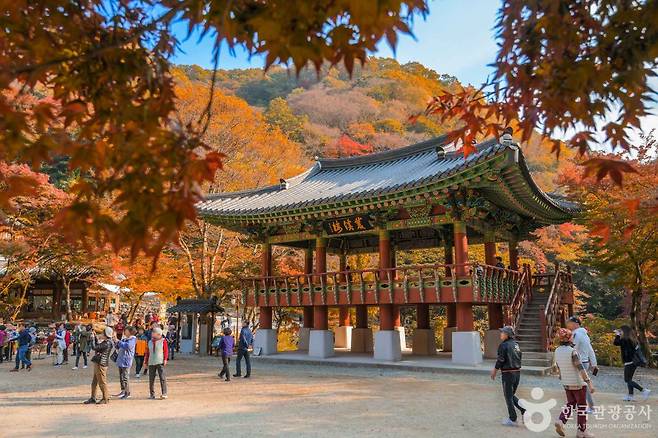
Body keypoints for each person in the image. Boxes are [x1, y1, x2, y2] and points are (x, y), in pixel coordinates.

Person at [553, 328, 596, 438]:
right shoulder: (573, 351)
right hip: (578, 383)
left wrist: (562, 377)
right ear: (569, 338)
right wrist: (589, 383)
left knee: (571, 403)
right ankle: (581, 431)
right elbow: (581, 368)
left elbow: (558, 368)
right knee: (582, 407)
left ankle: (561, 420)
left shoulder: (557, 351)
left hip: (566, 382)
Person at [491, 326, 525, 427]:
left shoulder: (503, 345)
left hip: (508, 373)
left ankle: (513, 418)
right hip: (517, 373)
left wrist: (494, 371)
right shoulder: (516, 345)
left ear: (507, 335)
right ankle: (524, 410)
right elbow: (520, 357)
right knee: (510, 395)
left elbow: (500, 360)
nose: (501, 334)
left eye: (502, 332)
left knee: (508, 396)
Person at [566, 316, 598, 413]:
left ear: (576, 323)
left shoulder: (576, 334)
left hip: (579, 362)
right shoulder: (584, 334)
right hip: (585, 361)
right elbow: (590, 350)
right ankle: (581, 405)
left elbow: (572, 349)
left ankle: (590, 406)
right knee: (581, 384)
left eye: (570, 322)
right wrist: (594, 363)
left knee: (582, 385)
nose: (568, 324)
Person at [614, 325, 651, 401]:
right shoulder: (632, 339)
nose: (620, 332)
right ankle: (630, 396)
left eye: (621, 331)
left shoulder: (625, 339)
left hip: (629, 361)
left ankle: (643, 390)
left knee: (627, 380)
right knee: (629, 379)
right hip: (633, 362)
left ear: (624, 331)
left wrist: (617, 335)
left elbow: (616, 343)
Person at [84, 327, 113, 405]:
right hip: (100, 363)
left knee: (102, 382)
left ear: (106, 335)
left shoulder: (106, 343)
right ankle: (93, 397)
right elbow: (98, 346)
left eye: (103, 333)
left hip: (101, 364)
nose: (101, 334)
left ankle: (105, 398)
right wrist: (95, 338)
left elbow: (94, 347)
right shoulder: (107, 342)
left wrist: (92, 338)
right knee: (95, 382)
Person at [144, 327, 168, 399]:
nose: (152, 333)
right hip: (151, 362)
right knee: (151, 379)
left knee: (162, 377)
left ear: (158, 334)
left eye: (154, 332)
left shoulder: (163, 341)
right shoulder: (150, 342)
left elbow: (166, 351)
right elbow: (147, 352)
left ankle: (164, 393)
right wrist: (145, 362)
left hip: (160, 361)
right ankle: (152, 394)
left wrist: (165, 359)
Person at [115, 326, 136, 400]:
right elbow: (118, 346)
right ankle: (123, 390)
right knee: (121, 376)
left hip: (126, 360)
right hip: (121, 360)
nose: (125, 331)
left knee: (125, 377)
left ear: (130, 332)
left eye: (126, 330)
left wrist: (118, 341)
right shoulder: (125, 339)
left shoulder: (132, 339)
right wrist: (116, 341)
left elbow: (127, 346)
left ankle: (127, 392)